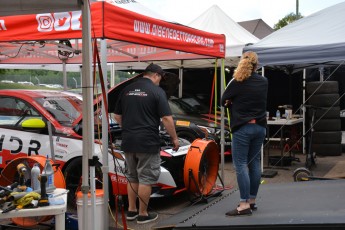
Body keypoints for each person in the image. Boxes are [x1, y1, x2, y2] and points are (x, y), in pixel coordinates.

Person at [114, 63, 179, 224]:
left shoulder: (127, 89)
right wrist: (175, 139)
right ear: (156, 75)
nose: (160, 82)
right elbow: (166, 118)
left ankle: (131, 211)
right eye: (160, 78)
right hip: (147, 142)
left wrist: (128, 128)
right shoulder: (157, 91)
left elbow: (116, 115)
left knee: (132, 176)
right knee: (146, 179)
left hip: (128, 141)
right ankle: (143, 214)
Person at [221, 51, 268, 216]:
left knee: (240, 165)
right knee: (254, 164)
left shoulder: (237, 81)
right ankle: (252, 201)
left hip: (243, 128)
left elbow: (223, 100)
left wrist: (231, 102)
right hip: (260, 127)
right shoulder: (264, 81)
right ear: (257, 65)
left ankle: (243, 204)